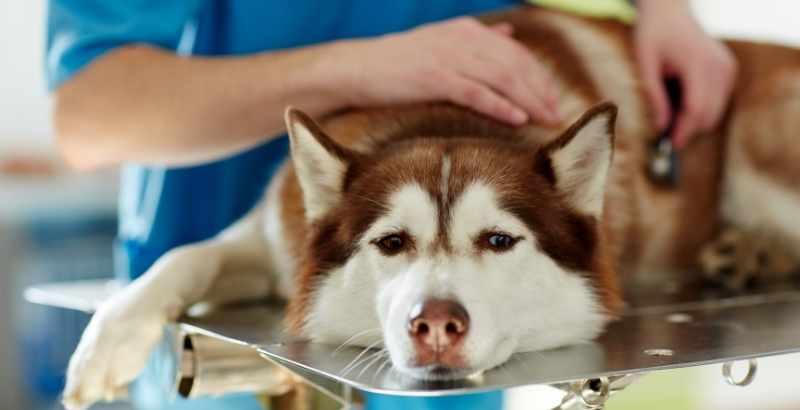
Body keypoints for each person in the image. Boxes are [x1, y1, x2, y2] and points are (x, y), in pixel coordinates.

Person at [46, 1, 736, 409]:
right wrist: (360, 68)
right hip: (234, 332)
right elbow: (90, 115)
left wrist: (664, 9)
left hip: (478, 357)